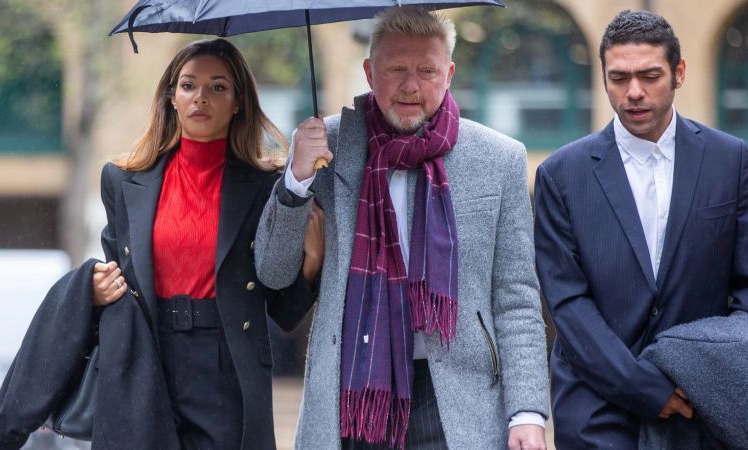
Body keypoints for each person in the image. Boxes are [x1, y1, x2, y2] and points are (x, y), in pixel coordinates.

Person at [255, 7, 549, 450]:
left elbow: (517, 298)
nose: (411, 86)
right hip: (354, 390)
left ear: (449, 73)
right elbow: (273, 272)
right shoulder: (325, 147)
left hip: (457, 395)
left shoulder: (499, 159)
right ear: (370, 72)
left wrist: (528, 411)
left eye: (426, 70)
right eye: (396, 69)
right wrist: (295, 181)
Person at [533, 10, 748, 448]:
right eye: (619, 78)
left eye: (650, 75)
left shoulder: (730, 160)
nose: (634, 93)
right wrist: (646, 389)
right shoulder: (560, 175)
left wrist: (723, 373)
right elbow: (568, 304)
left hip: (704, 408)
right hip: (597, 411)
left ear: (679, 73)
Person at [67, 39, 320, 449]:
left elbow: (282, 309)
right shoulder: (121, 179)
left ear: (238, 101)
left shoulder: (265, 186)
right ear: (171, 97)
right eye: (188, 85)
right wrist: (95, 292)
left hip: (227, 366)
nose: (201, 97)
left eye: (218, 87)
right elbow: (121, 284)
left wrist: (311, 261)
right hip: (145, 361)